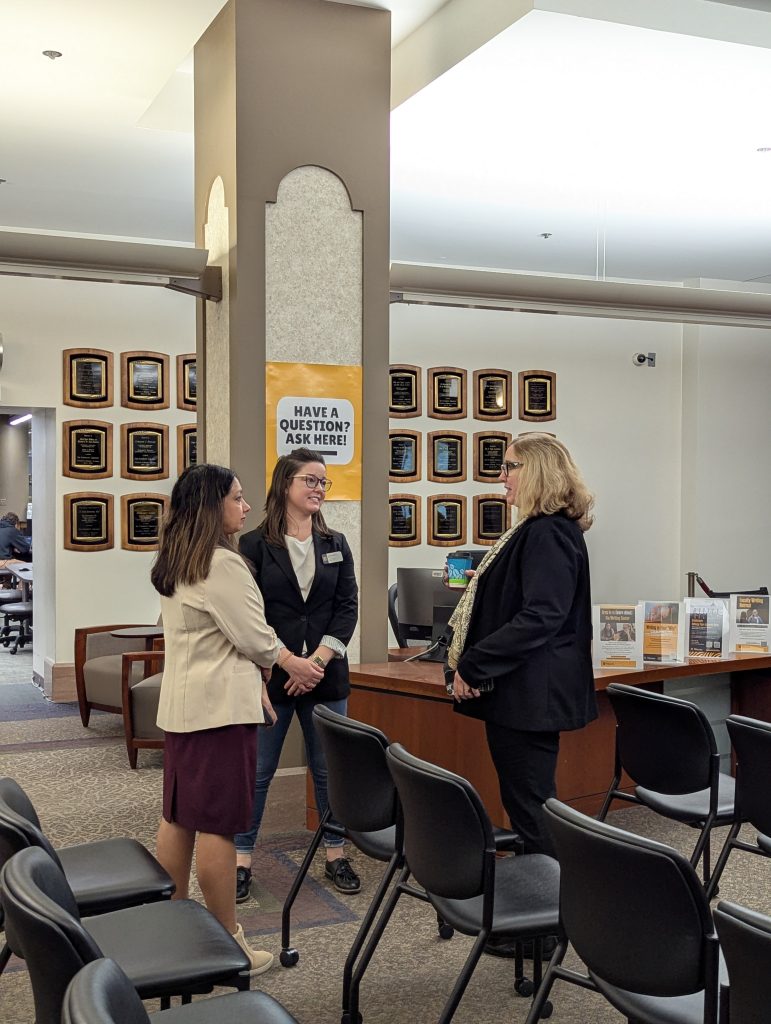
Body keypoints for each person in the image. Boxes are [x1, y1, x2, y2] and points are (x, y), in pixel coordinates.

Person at [152, 463, 293, 976]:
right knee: (217, 826)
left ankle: (172, 926)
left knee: (180, 816)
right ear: (214, 506)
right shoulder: (223, 564)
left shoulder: (176, 557)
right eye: (237, 497)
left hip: (185, 708)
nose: (246, 506)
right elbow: (255, 639)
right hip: (220, 714)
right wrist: (273, 663)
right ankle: (228, 945)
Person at [448, 433, 597, 860]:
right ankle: (538, 910)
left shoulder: (548, 532)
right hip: (521, 693)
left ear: (537, 472)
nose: (502, 477)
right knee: (524, 804)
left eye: (510, 467)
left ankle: (550, 917)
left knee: (532, 810)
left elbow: (541, 616)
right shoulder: (536, 529)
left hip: (532, 696)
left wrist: (474, 663)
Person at [234, 448, 360, 900]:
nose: (318, 489)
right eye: (310, 480)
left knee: (329, 770)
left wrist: (318, 663)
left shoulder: (336, 544)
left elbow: (347, 609)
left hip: (325, 676)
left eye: (324, 482)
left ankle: (335, 852)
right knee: (259, 769)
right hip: (272, 675)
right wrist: (288, 660)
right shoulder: (251, 545)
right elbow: (250, 615)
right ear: (285, 484)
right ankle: (241, 859)